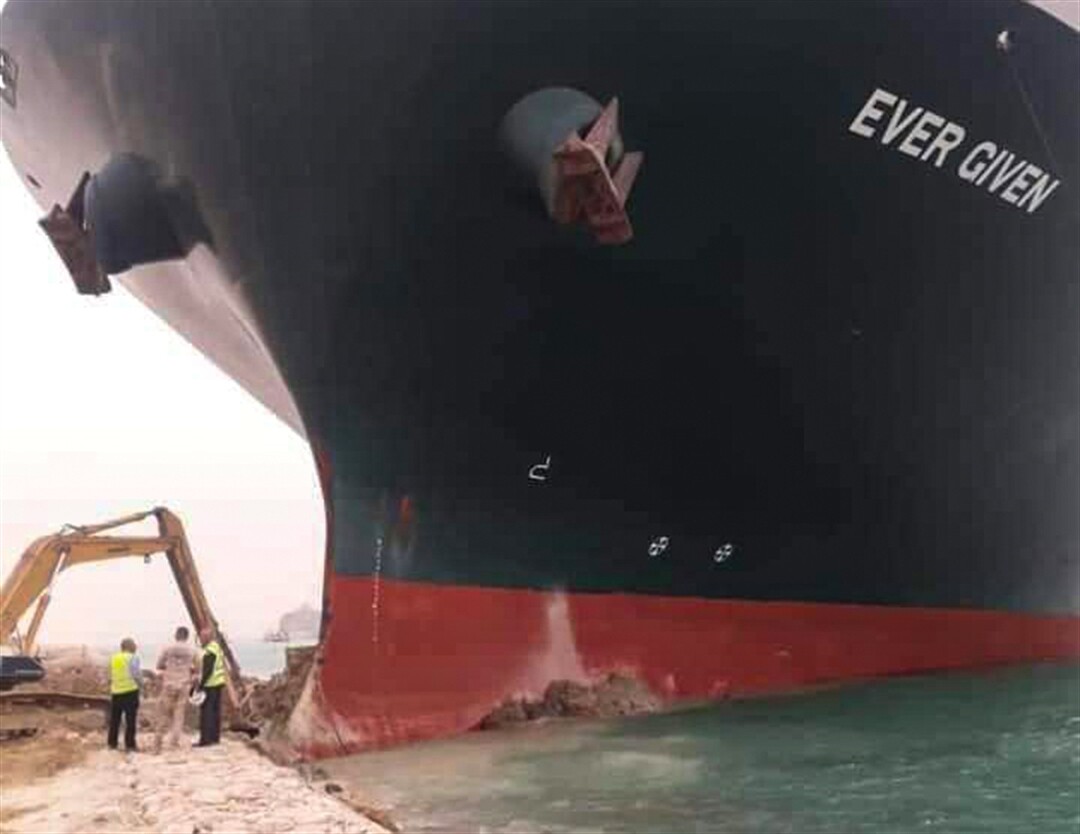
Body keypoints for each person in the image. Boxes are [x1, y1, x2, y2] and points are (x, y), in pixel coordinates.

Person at [153, 625, 197, 751]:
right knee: (179, 715)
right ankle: (174, 742)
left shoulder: (168, 648)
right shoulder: (192, 650)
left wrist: (170, 667)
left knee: (164, 714)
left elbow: (159, 665)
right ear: (187, 636)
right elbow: (198, 668)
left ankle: (157, 743)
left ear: (176, 635)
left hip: (169, 684)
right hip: (184, 685)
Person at [194, 626, 227, 747]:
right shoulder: (216, 647)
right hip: (218, 683)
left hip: (210, 684)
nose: (200, 639)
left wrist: (200, 685)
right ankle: (215, 738)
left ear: (206, 638)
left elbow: (207, 669)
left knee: (206, 713)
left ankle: (205, 740)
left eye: (201, 637)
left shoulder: (209, 651)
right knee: (215, 712)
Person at [107, 637, 141, 752]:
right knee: (130, 719)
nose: (136, 647)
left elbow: (110, 675)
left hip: (116, 692)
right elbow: (136, 674)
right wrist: (141, 686)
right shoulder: (133, 658)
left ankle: (112, 743)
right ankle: (130, 744)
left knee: (115, 719)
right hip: (130, 691)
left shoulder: (114, 658)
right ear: (130, 646)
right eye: (134, 645)